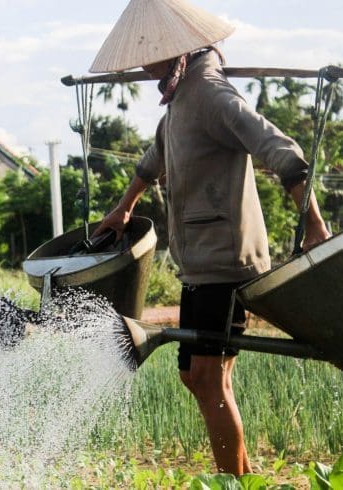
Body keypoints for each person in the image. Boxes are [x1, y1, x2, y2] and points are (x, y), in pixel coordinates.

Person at [89, 0, 330, 475]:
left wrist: (316, 227)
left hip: (226, 261)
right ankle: (240, 476)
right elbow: (154, 156)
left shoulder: (211, 94)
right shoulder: (181, 97)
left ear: (177, 51)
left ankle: (233, 482)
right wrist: (124, 206)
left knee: (205, 378)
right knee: (195, 375)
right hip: (199, 261)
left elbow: (283, 149)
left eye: (151, 54)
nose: (144, 64)